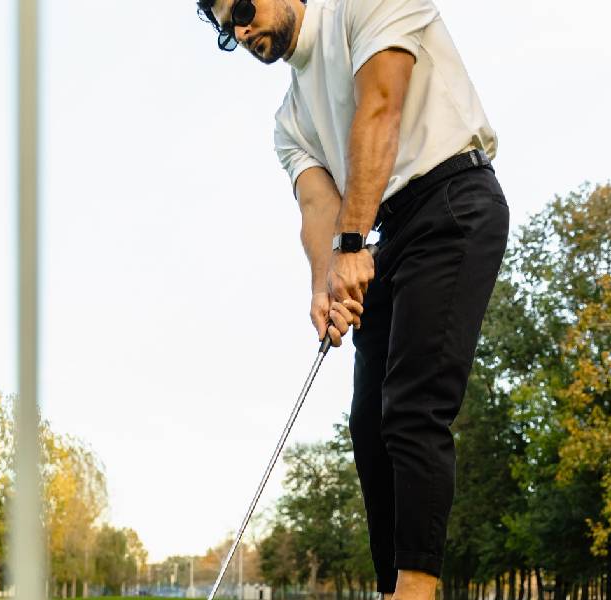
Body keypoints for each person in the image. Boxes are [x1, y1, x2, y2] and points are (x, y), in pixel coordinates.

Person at [194, 0, 510, 599]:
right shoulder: (289, 118)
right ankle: (392, 586)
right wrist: (325, 282)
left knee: (413, 405)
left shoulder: (361, 5)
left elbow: (381, 109)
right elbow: (317, 203)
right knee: (368, 423)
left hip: (453, 200)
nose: (238, 28)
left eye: (239, 7)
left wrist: (349, 244)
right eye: (224, 27)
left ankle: (418, 589)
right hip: (380, 233)